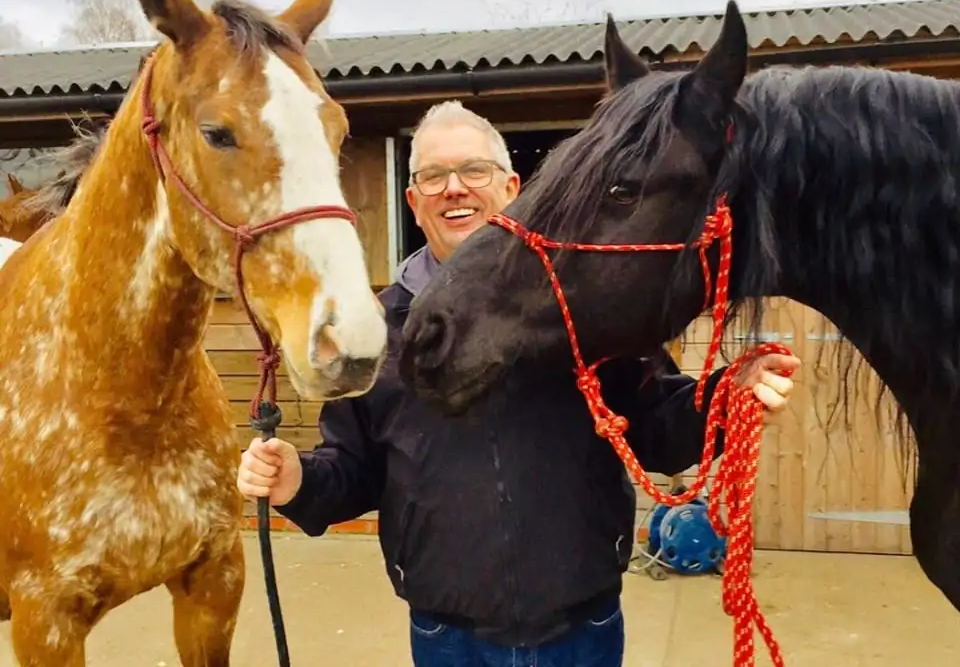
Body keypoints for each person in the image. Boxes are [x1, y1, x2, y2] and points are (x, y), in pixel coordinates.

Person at [237, 100, 798, 667]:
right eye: (432, 176)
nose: (453, 188)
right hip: (448, 635)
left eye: (473, 171)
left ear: (512, 188)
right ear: (414, 201)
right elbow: (354, 471)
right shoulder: (382, 328)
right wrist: (297, 481)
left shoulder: (588, 306)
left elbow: (655, 422)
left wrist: (729, 396)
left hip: (583, 624)